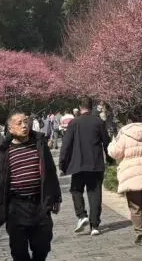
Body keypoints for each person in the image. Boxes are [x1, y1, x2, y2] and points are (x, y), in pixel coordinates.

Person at [0, 111, 61, 261]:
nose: (24, 125)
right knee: (19, 252)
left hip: (39, 204)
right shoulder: (3, 153)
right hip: (16, 207)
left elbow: (50, 171)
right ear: (10, 129)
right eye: (19, 123)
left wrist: (56, 197)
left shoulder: (39, 144)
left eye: (26, 121)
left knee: (43, 246)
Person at [107, 110, 142, 246]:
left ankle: (141, 235)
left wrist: (112, 142)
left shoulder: (123, 134)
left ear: (128, 121)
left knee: (135, 206)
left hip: (130, 173)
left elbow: (115, 153)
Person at [59, 97, 109, 236]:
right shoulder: (98, 122)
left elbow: (66, 145)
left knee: (76, 190)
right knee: (95, 194)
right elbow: (106, 141)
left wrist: (62, 164)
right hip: (95, 164)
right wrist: (109, 158)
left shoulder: (74, 123)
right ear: (91, 107)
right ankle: (95, 225)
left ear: (80, 108)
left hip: (78, 164)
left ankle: (82, 215)